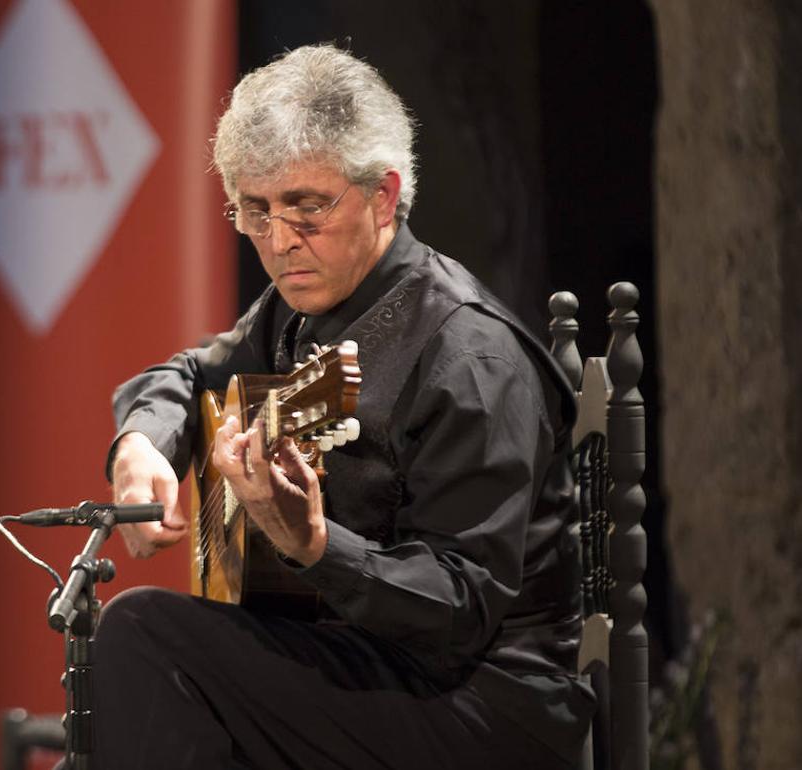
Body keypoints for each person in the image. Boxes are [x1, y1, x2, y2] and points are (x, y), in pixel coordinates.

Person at [95, 44, 593, 769]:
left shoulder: (471, 358)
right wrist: (143, 444)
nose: (279, 241)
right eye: (254, 211)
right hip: (366, 662)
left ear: (384, 196)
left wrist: (316, 548)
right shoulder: (302, 307)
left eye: (306, 207)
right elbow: (189, 375)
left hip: (487, 704)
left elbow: (458, 608)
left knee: (147, 635)